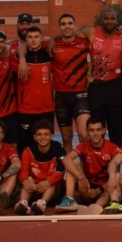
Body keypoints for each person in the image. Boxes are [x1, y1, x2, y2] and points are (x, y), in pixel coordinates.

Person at [83, 8, 122, 146]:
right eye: (106, 18)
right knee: (97, 126)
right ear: (101, 20)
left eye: (112, 18)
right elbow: (70, 37)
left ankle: (115, 156)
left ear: (117, 21)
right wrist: (53, 39)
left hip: (115, 85)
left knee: (116, 127)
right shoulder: (91, 32)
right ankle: (98, 156)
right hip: (97, 86)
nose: (109, 21)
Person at [50, 13, 91, 151]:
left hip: (81, 94)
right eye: (63, 24)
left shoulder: (84, 43)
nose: (67, 26)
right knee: (66, 138)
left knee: (84, 134)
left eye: (70, 23)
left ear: (75, 26)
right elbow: (26, 44)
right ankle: (70, 165)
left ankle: (87, 163)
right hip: (61, 96)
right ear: (59, 27)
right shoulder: (53, 44)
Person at [61, 117, 119, 214]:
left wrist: (98, 190)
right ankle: (69, 200)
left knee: (113, 183)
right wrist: (81, 178)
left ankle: (95, 208)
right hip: (87, 187)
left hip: (104, 189)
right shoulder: (84, 145)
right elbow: (66, 159)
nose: (95, 133)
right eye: (92, 130)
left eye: (98, 130)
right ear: (87, 132)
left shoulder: (112, 148)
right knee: (73, 163)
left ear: (104, 130)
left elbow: (115, 176)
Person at [15, 119, 67, 215]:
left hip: (52, 192)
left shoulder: (58, 149)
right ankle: (23, 203)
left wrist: (48, 182)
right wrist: (26, 182)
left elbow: (60, 171)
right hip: (34, 189)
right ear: (35, 137)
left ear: (52, 136)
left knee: (53, 183)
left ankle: (42, 204)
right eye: (39, 134)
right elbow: (23, 170)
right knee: (27, 180)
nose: (43, 137)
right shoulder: (28, 151)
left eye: (46, 134)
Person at [18, 26, 55, 152]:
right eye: (30, 37)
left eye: (36, 37)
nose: (33, 40)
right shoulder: (18, 58)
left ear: (41, 39)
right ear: (26, 40)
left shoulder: (48, 55)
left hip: (47, 108)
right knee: (25, 144)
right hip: (26, 109)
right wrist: (22, 59)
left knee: (46, 143)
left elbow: (55, 38)